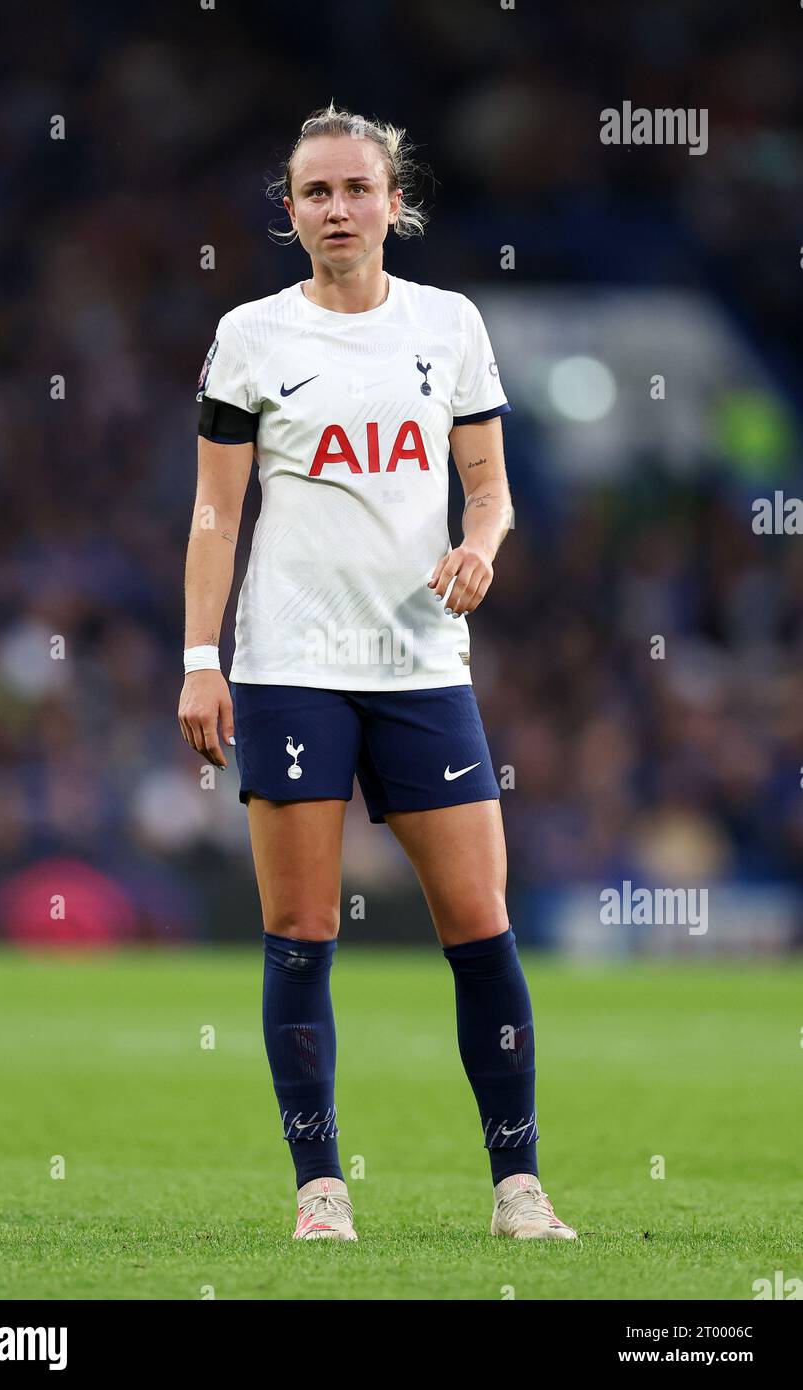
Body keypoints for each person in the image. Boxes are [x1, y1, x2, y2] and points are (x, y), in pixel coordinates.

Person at [178, 102, 577, 1242]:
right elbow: (215, 512)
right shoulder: (250, 334)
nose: (337, 208)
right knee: (301, 927)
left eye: (356, 189)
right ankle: (320, 1191)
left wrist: (478, 546)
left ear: (394, 202)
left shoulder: (448, 324)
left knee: (478, 923)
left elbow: (491, 487)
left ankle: (517, 1187)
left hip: (418, 665)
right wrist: (202, 660)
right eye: (315, 193)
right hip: (291, 662)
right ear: (290, 213)